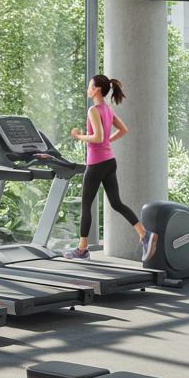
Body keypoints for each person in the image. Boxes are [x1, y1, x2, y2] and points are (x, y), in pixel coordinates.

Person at [64, 74, 157, 262]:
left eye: (90, 86)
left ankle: (82, 250)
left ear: (97, 89)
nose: (88, 89)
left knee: (86, 206)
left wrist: (78, 136)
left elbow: (97, 138)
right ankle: (144, 233)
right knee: (116, 203)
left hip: (97, 163)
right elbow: (123, 130)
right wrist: (108, 141)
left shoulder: (94, 110)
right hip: (109, 162)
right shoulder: (107, 109)